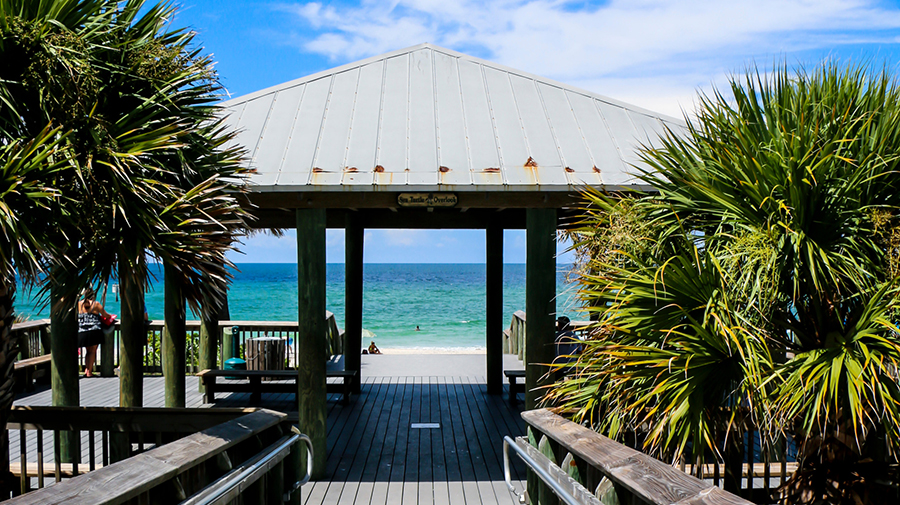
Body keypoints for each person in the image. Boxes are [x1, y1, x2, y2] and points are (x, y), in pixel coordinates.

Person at [77, 287, 113, 378]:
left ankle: (87, 370)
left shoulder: (79, 304)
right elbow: (105, 315)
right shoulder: (96, 304)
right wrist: (111, 316)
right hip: (94, 331)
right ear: (93, 295)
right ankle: (89, 371)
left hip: (82, 331)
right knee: (92, 351)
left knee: (88, 351)